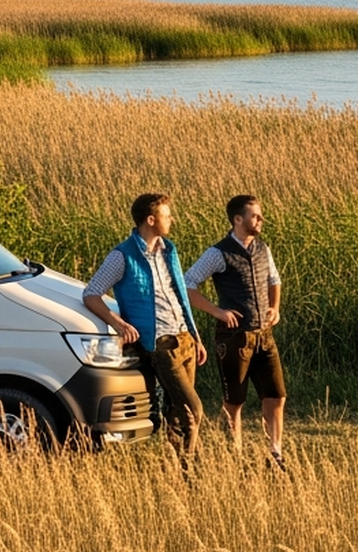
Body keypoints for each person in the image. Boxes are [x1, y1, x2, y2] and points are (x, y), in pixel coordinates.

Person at [82, 193, 207, 462]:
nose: (171, 219)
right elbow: (91, 294)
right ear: (151, 220)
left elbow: (180, 296)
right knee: (193, 409)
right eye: (166, 215)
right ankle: (190, 466)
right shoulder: (122, 256)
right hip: (160, 344)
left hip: (184, 338)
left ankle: (176, 466)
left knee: (177, 411)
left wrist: (195, 336)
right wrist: (119, 324)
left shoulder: (169, 250)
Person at [185, 194, 287, 467]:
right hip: (234, 338)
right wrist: (218, 311)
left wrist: (275, 308)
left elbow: (274, 279)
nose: (261, 219)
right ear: (238, 219)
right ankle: (235, 455)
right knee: (234, 401)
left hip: (264, 335)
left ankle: (275, 453)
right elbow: (188, 283)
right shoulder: (217, 253)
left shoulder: (263, 248)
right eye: (255, 215)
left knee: (276, 395)